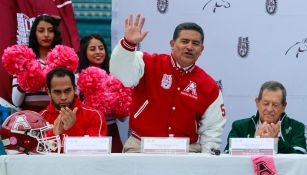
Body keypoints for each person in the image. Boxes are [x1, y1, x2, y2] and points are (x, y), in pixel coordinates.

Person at [110, 14, 226, 153]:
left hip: (187, 150)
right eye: (184, 41)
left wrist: (207, 159)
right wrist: (128, 45)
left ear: (201, 50)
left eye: (195, 43)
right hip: (141, 145)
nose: (189, 47)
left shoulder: (209, 86)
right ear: (172, 44)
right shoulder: (147, 62)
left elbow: (212, 129)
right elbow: (122, 75)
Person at [224, 81, 306, 154]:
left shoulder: (296, 127)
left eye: (275, 105)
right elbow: (228, 154)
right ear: (257, 102)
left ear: (284, 106)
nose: (270, 109)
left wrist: (276, 142)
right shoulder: (240, 126)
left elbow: (300, 157)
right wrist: (254, 142)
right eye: (266, 103)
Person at [77, 33, 124, 153]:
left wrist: (118, 105)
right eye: (92, 49)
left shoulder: (114, 76)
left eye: (101, 48)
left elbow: (123, 118)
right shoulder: (77, 78)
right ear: (84, 52)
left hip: (112, 129)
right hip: (87, 131)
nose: (98, 52)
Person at [12, 14, 62, 112]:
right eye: (41, 30)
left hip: (57, 115)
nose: (46, 34)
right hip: (30, 117)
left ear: (55, 33)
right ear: (34, 33)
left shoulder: (63, 59)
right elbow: (16, 102)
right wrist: (25, 80)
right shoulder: (23, 59)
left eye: (50, 30)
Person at [40, 67, 107, 139]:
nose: (63, 97)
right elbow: (35, 149)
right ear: (49, 93)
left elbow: (95, 148)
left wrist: (71, 129)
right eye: (57, 92)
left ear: (75, 89)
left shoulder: (94, 115)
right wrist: (54, 133)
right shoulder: (40, 118)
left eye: (67, 91)